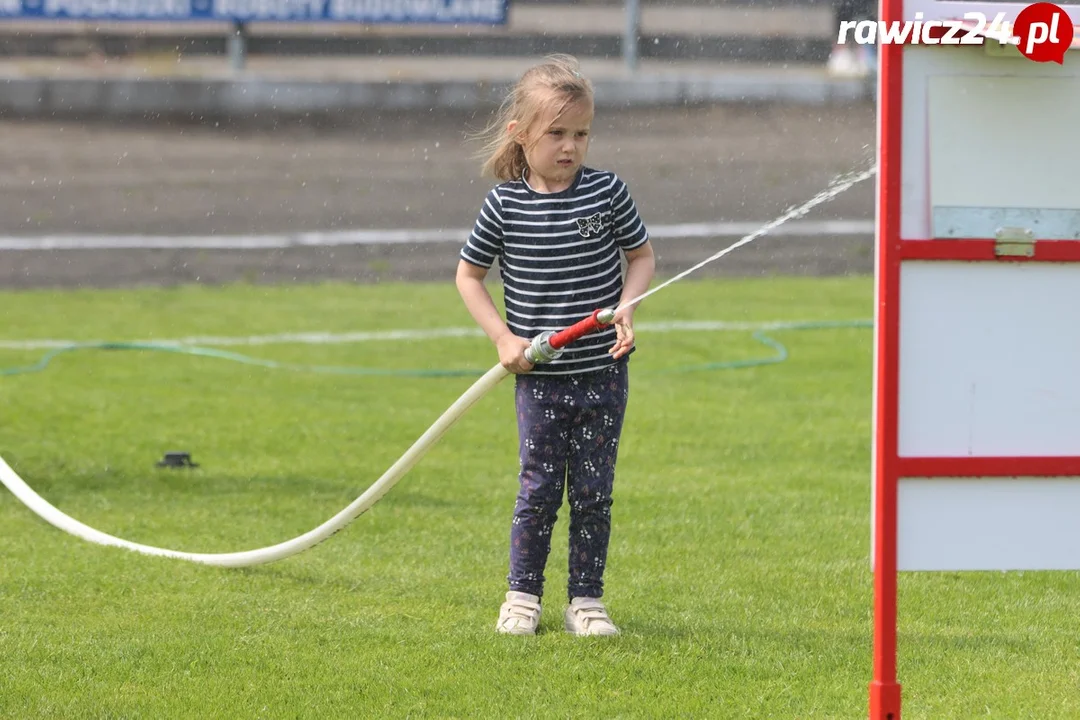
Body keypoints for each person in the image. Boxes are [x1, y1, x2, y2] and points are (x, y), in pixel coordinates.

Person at [455, 54, 656, 637]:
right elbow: (469, 276)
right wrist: (503, 338)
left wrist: (628, 303)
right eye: (557, 133)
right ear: (521, 135)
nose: (570, 146)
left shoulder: (607, 193)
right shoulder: (505, 205)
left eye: (582, 133)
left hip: (604, 374)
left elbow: (640, 258)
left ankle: (586, 601)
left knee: (594, 492)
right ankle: (522, 597)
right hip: (539, 381)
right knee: (540, 489)